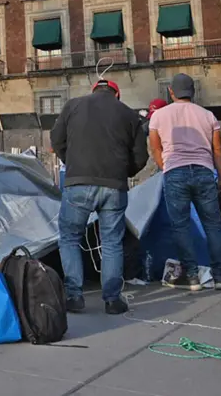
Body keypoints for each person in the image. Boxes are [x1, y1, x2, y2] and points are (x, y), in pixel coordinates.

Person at [50, 79, 147, 314]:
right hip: (114, 186)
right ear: (117, 95)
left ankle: (74, 296)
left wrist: (72, 162)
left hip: (78, 183)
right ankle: (112, 300)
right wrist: (123, 172)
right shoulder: (129, 114)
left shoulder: (73, 105)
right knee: (112, 242)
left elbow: (56, 140)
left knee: (70, 238)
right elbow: (140, 156)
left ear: (93, 90)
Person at [148, 73, 221, 291]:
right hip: (204, 171)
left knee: (181, 226)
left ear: (171, 92)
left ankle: (192, 276)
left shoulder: (158, 116)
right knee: (213, 225)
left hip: (175, 172)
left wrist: (166, 167)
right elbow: (218, 150)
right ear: (193, 91)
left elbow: (155, 148)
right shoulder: (208, 116)